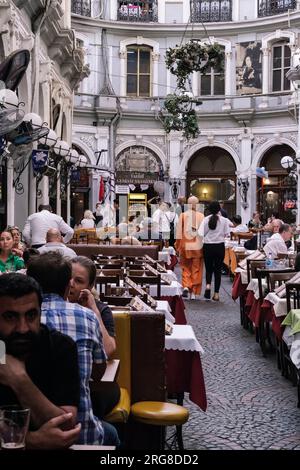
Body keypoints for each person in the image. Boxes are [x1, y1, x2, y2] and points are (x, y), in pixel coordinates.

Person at [27, 252, 119, 447]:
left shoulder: (14, 328)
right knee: (110, 433)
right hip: (82, 433)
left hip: (25, 429)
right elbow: (99, 368)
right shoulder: (87, 317)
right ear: (67, 285)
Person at [0, 273, 81, 449]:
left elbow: (66, 428)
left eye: (31, 316)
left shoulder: (60, 346)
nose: (22, 328)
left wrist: (19, 379)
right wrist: (32, 441)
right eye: (10, 317)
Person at [68, 256, 120, 419]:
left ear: (89, 286)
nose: (71, 284)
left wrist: (93, 310)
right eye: (69, 278)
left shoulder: (101, 310)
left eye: (79, 281)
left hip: (95, 384)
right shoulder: (56, 306)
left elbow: (109, 350)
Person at [199, 201, 231, 301]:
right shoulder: (225, 220)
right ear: (219, 209)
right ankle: (216, 294)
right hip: (219, 247)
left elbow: (200, 233)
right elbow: (227, 234)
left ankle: (208, 287)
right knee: (217, 270)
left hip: (208, 246)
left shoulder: (205, 220)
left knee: (208, 269)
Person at [175, 196, 204, 299]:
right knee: (196, 269)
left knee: (185, 268)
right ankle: (194, 293)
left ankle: (186, 286)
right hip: (197, 247)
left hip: (185, 246)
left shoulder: (183, 215)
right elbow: (203, 233)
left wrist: (177, 246)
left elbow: (178, 233)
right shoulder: (201, 216)